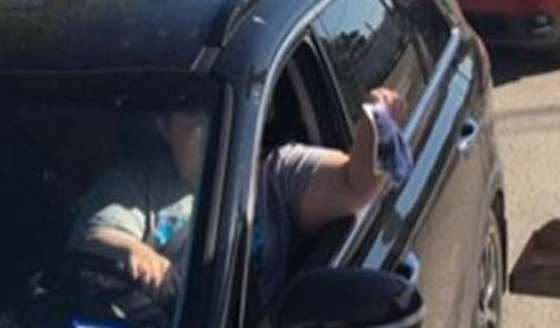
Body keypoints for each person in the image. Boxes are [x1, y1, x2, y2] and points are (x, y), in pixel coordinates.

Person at [72, 88, 408, 305]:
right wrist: (136, 251)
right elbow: (95, 236)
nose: (214, 131)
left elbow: (354, 187)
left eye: (221, 117)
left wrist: (375, 128)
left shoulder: (275, 173)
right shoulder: (137, 181)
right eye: (195, 119)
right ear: (163, 126)